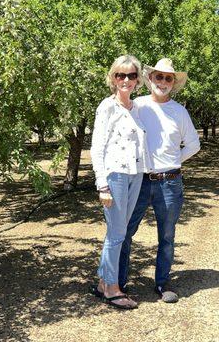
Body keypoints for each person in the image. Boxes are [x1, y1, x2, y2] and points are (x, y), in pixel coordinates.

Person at [118, 58, 200, 303]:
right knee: (124, 232)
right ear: (150, 78)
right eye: (159, 76)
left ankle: (162, 283)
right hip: (139, 182)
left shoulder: (180, 111)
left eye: (168, 78)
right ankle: (117, 283)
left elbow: (194, 145)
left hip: (170, 183)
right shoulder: (138, 105)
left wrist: (173, 162)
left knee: (166, 236)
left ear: (173, 83)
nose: (163, 81)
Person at [90, 54, 151, 309]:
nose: (125, 80)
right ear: (113, 78)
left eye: (131, 75)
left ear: (138, 80)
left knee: (119, 232)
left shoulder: (137, 108)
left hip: (136, 174)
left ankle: (104, 282)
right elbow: (97, 147)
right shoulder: (107, 106)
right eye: (120, 75)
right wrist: (102, 185)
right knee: (116, 234)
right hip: (115, 175)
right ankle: (112, 289)